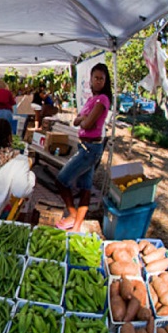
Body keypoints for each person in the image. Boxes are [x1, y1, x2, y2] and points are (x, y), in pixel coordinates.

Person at [55, 63, 112, 232]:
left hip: (91, 150)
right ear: (91, 80)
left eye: (102, 79)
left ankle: (72, 214)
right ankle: (77, 225)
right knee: (85, 187)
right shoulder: (91, 100)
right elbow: (75, 121)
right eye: (96, 78)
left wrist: (84, 118)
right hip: (85, 147)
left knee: (61, 180)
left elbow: (86, 124)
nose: (99, 81)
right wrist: (83, 118)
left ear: (106, 81)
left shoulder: (102, 100)